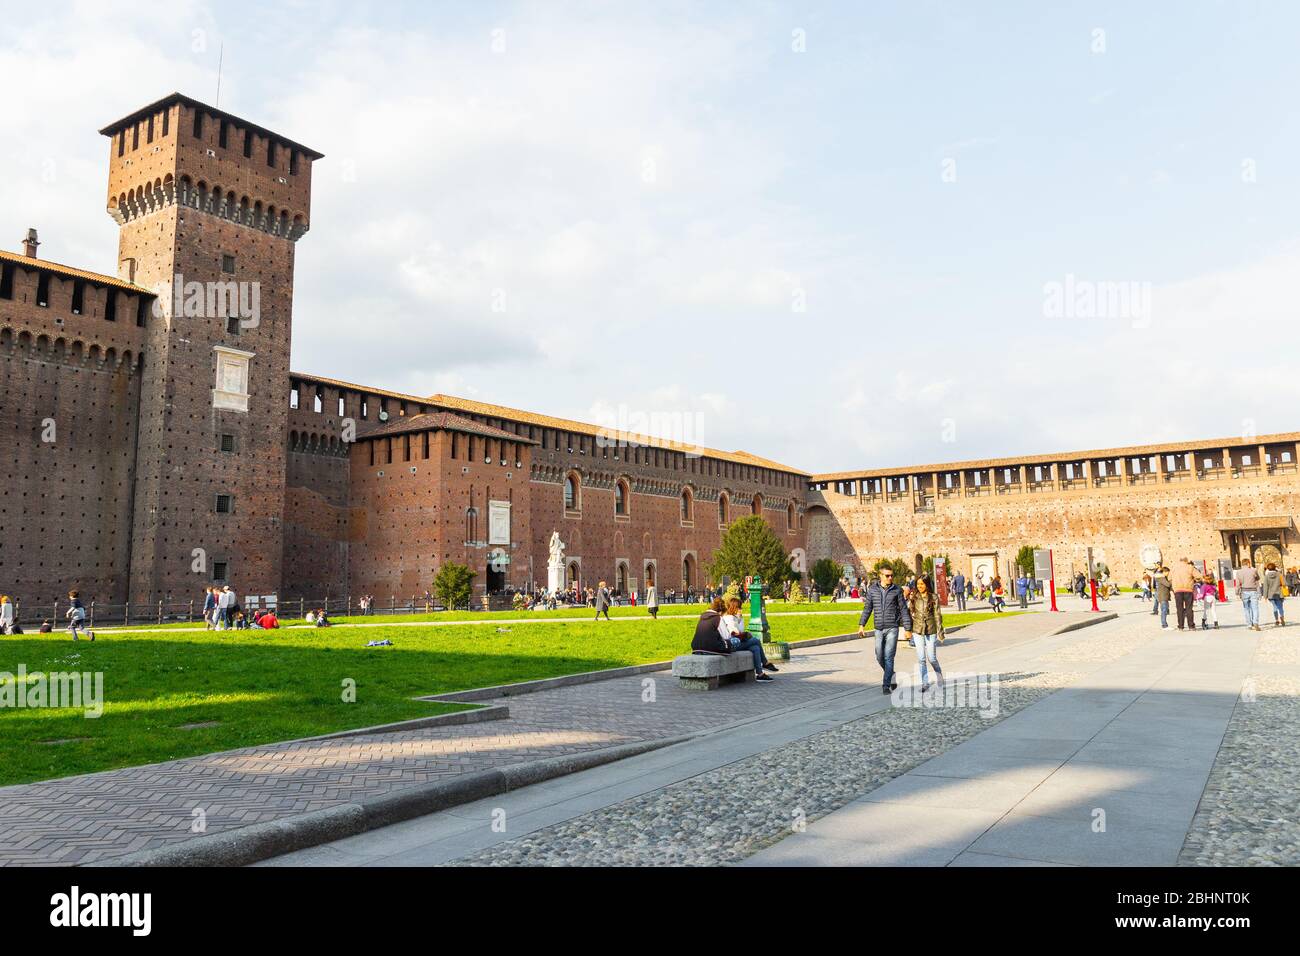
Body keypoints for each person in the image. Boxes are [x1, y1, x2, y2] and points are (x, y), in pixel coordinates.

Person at [857, 566, 912, 695]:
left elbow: (904, 609)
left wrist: (907, 628)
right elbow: (867, 609)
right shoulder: (872, 590)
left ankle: (886, 685)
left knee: (888, 657)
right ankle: (892, 675)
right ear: (881, 576)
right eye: (887, 576)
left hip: (892, 627)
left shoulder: (897, 590)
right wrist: (861, 625)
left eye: (891, 575)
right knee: (879, 656)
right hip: (878, 628)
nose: (890, 578)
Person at [719, 596, 777, 681]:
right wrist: (740, 621)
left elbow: (741, 630)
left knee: (756, 648)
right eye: (739, 607)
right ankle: (765, 662)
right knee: (756, 640)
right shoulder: (729, 618)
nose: (740, 609)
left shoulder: (736, 617)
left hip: (738, 642)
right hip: (732, 644)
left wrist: (740, 619)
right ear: (734, 607)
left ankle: (760, 674)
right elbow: (736, 632)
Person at [906, 575, 945, 693]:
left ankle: (939, 676)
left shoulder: (933, 597)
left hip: (930, 628)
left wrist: (940, 631)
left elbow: (937, 614)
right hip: (917, 629)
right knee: (921, 658)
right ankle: (925, 682)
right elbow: (909, 611)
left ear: (927, 584)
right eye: (918, 584)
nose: (919, 586)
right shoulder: (914, 596)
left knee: (932, 658)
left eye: (922, 584)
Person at [1171, 558, 1199, 631]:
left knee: (1179, 609)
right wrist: (1194, 579)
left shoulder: (1174, 568)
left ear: (1179, 561)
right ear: (1186, 561)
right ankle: (1191, 626)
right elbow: (1199, 576)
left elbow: (1169, 578)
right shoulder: (1190, 567)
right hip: (1188, 589)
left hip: (1177, 590)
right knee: (1189, 608)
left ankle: (1180, 626)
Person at [1236, 559, 1261, 631]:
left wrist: (1237, 593)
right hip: (1253, 590)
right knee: (1255, 608)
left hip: (1244, 591)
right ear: (1248, 563)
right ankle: (1255, 622)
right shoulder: (1253, 570)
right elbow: (1257, 580)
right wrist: (1259, 593)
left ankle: (1249, 624)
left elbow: (1237, 584)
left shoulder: (1239, 572)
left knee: (1246, 608)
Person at [1262, 562, 1285, 627]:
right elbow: (1284, 583)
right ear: (1275, 568)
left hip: (1271, 594)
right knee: (1280, 607)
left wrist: (1265, 596)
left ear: (1268, 569)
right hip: (1279, 593)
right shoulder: (1279, 574)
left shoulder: (1266, 576)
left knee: (1274, 607)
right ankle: (1282, 617)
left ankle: (1277, 620)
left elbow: (1265, 586)